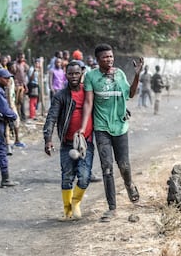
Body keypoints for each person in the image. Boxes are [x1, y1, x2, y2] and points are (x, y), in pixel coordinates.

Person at [78, 43, 142, 222]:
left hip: (120, 126)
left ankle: (129, 184)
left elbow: (130, 94)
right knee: (107, 168)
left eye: (111, 56)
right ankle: (112, 208)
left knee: (124, 165)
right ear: (98, 60)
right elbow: (88, 103)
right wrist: (83, 128)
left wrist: (137, 75)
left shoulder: (120, 74)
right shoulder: (91, 77)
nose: (109, 59)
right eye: (105, 57)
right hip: (102, 128)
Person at [43, 61, 95, 221]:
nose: (73, 76)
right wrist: (48, 139)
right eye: (70, 73)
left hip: (85, 142)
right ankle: (67, 212)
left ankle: (75, 202)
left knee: (85, 176)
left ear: (82, 74)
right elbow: (52, 117)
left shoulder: (89, 92)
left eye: (76, 73)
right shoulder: (60, 96)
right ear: (66, 75)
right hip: (67, 144)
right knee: (67, 176)